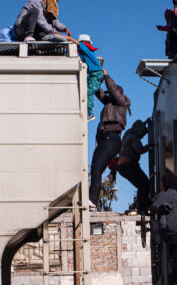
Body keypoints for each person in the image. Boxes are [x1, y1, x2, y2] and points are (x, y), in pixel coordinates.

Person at [89, 72, 131, 210]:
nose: (109, 95)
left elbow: (112, 89)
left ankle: (92, 201)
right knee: (96, 170)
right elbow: (99, 93)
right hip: (105, 141)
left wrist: (106, 76)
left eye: (112, 93)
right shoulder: (110, 104)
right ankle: (92, 201)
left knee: (96, 169)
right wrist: (95, 78)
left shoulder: (122, 102)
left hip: (111, 139)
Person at [64, 33, 104, 121]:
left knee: (88, 92)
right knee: (86, 90)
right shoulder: (86, 51)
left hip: (96, 74)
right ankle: (88, 110)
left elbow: (75, 42)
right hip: (94, 74)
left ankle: (89, 113)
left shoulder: (86, 47)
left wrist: (64, 37)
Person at [117, 119, 152, 214]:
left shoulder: (129, 132)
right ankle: (143, 207)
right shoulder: (134, 138)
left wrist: (145, 122)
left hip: (123, 166)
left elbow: (138, 125)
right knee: (143, 184)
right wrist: (150, 146)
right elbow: (140, 149)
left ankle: (145, 203)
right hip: (128, 165)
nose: (142, 136)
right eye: (142, 134)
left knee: (143, 184)